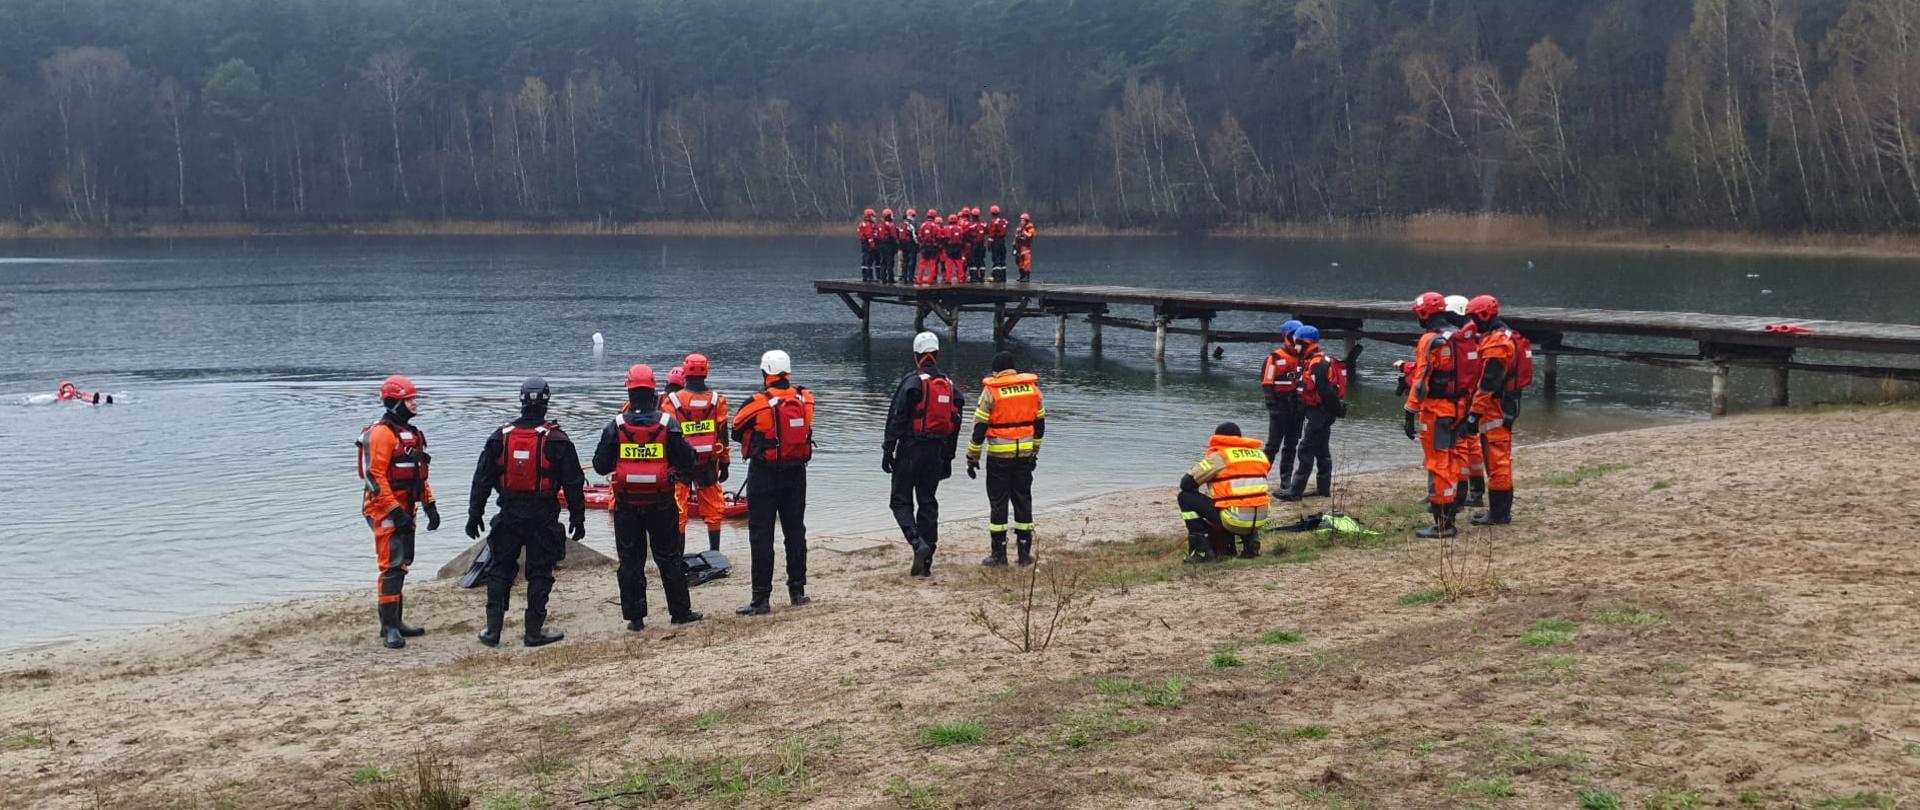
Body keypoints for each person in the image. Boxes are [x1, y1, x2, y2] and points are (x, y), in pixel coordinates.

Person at [465, 377, 586, 647]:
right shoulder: (557, 439)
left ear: (521, 400)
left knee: (500, 569)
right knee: (540, 572)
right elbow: (574, 482)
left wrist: (475, 514)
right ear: (547, 401)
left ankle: (492, 630)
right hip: (543, 517)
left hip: (508, 514)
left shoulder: (500, 436)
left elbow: (481, 479)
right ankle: (533, 632)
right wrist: (578, 518)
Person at [592, 364, 704, 631]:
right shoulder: (668, 424)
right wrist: (672, 471)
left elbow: (599, 465)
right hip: (662, 502)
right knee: (669, 558)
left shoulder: (615, 426)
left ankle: (636, 619)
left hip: (626, 505)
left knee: (630, 561)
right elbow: (689, 460)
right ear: (654, 391)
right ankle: (679, 612)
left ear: (629, 391)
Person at [356, 375, 442, 649]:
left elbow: (419, 474)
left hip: (406, 505)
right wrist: (395, 510)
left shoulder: (412, 434)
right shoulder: (382, 434)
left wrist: (430, 504)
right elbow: (375, 477)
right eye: (410, 399)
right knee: (391, 565)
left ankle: (396, 622)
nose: (415, 403)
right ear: (396, 402)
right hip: (384, 508)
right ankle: (389, 627)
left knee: (403, 563)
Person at [730, 349, 817, 614]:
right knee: (795, 531)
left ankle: (761, 599)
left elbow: (735, 430)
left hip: (764, 475)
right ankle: (797, 592)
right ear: (788, 372)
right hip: (796, 474)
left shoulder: (756, 402)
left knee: (761, 535)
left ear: (765, 372)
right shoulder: (805, 398)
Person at [884, 332, 964, 577]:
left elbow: (897, 417)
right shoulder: (951, 386)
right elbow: (956, 424)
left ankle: (917, 542)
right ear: (937, 354)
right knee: (928, 502)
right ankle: (926, 564)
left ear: (916, 355)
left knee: (900, 500)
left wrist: (888, 449)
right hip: (937, 451)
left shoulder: (912, 382)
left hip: (911, 449)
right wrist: (948, 458)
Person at [966, 350, 1045, 566]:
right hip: (1025, 456)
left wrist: (972, 458)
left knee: (999, 503)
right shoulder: (1032, 389)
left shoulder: (992, 391)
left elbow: (979, 429)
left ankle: (999, 555)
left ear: (996, 371)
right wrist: (1034, 452)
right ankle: (1024, 554)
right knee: (1023, 500)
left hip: (999, 457)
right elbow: (1039, 426)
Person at [1404, 292, 1472, 539]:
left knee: (1438, 465)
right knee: (1452, 461)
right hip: (1459, 409)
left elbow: (1421, 380)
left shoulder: (1430, 340)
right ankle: (1450, 517)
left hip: (1436, 411)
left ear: (1424, 313)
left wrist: (1410, 411)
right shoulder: (1459, 336)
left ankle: (1443, 525)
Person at [663, 353, 731, 552]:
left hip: (681, 464)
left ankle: (678, 555)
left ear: (685, 372)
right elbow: (723, 434)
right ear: (706, 371)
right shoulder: (717, 400)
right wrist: (725, 462)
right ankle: (715, 552)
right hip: (708, 463)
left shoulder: (673, 401)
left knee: (679, 510)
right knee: (714, 509)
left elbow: (667, 435)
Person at [1178, 422, 1271, 563]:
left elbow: (1186, 483)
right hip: (1260, 518)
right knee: (1247, 498)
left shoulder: (1220, 457)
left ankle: (1203, 551)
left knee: (1185, 497)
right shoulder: (1259, 455)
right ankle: (1250, 542)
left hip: (1234, 519)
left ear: (1218, 438)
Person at [1464, 295, 1521, 525]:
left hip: (1497, 409)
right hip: (1501, 406)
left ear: (1485, 315)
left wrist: (1474, 414)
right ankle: (1498, 511)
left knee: (1498, 462)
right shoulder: (1500, 336)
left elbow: (1488, 383)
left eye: (1475, 317)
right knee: (1497, 460)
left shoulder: (1497, 344)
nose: (1474, 322)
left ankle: (1499, 514)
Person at [1278, 326, 1344, 499]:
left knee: (1305, 449)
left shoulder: (1317, 364)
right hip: (1320, 412)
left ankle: (1295, 491)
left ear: (1306, 343)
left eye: (1298, 344)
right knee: (1322, 450)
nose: (1296, 348)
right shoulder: (1316, 361)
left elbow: (1325, 391)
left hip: (1320, 413)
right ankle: (1323, 489)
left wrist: (1336, 411)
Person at [1443, 295, 1487, 507]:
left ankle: (1460, 496)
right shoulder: (1475, 334)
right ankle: (1476, 492)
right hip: (1475, 395)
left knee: (1461, 445)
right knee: (1472, 444)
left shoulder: (1464, 337)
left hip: (1466, 397)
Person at [1261, 320, 1305, 483]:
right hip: (1279, 407)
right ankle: (1260, 476)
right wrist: (1272, 407)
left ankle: (1285, 479)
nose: (1296, 340)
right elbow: (1267, 383)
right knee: (1273, 446)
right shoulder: (1274, 358)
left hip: (1297, 408)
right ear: (1287, 336)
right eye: (1294, 336)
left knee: (1291, 446)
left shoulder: (1304, 359)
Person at [917, 208, 944, 285]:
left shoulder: (923, 225)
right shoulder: (936, 226)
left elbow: (919, 236)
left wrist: (922, 245)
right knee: (932, 263)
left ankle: (919, 279)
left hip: (925, 247)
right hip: (933, 247)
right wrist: (938, 245)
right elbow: (939, 237)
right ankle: (931, 279)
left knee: (922, 263)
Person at [986, 205, 1010, 282]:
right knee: (1002, 260)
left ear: (992, 213)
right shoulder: (1004, 221)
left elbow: (991, 234)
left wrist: (989, 244)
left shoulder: (994, 222)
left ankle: (997, 277)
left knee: (996, 259)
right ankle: (1003, 277)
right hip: (1002, 241)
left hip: (996, 241)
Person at [942, 214, 967, 284]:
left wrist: (944, 247)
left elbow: (944, 238)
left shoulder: (945, 228)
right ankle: (961, 279)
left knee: (949, 264)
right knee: (959, 264)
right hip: (958, 247)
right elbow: (962, 238)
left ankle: (949, 279)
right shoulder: (960, 228)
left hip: (950, 247)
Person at [967, 207, 989, 283]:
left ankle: (974, 277)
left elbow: (966, 233)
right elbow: (987, 232)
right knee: (981, 260)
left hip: (974, 244)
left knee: (973, 261)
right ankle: (981, 277)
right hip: (982, 245)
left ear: (972, 216)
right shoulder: (984, 224)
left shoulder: (971, 225)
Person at [897, 209, 919, 285]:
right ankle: (910, 277)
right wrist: (917, 244)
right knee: (911, 261)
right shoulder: (911, 225)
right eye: (913, 216)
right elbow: (914, 236)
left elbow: (898, 235)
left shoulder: (901, 224)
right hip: (910, 245)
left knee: (905, 261)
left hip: (903, 245)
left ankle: (904, 277)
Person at [877, 209, 898, 284]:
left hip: (881, 245)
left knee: (883, 262)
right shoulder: (890, 225)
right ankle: (890, 278)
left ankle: (883, 278)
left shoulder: (880, 224)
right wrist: (896, 247)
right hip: (889, 245)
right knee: (890, 262)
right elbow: (894, 236)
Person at [1014, 213, 1036, 282]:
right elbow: (1016, 238)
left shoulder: (1030, 228)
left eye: (1022, 220)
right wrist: (1014, 246)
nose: (1021, 221)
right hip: (1019, 248)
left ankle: (1027, 277)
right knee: (1019, 262)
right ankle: (1022, 276)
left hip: (1026, 247)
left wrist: (1024, 232)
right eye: (1021, 220)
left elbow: (1030, 235)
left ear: (1026, 220)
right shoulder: (1019, 228)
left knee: (1026, 262)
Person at [858, 209, 879, 282]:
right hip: (868, 244)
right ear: (869, 217)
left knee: (865, 260)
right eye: (873, 216)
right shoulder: (868, 225)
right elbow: (869, 236)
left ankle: (865, 276)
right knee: (869, 260)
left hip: (864, 243)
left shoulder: (862, 224)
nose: (874, 218)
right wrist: (873, 246)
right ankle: (870, 277)